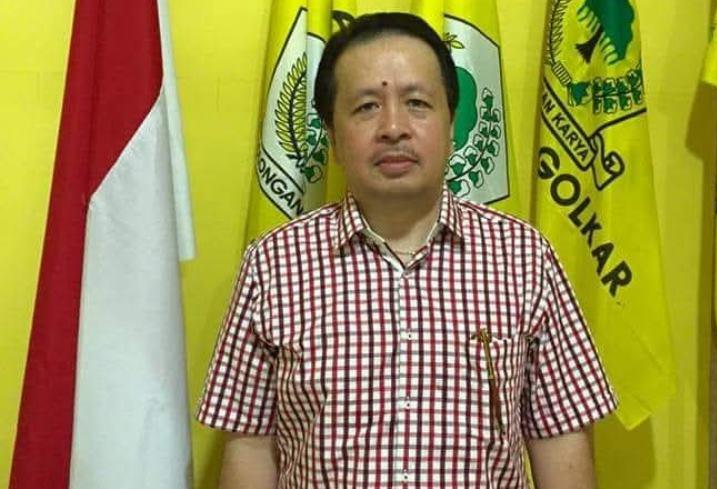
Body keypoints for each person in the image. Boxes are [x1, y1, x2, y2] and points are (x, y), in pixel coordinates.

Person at [197, 12, 617, 488]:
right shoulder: (274, 264)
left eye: (417, 103)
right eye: (366, 107)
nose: (393, 127)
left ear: (452, 124)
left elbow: (561, 441)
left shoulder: (524, 258)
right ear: (332, 137)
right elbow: (250, 449)